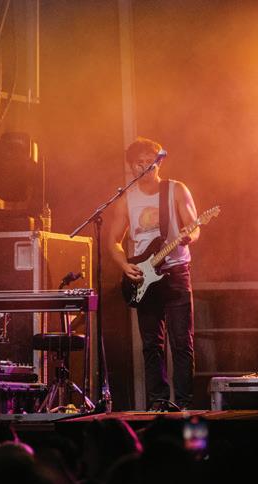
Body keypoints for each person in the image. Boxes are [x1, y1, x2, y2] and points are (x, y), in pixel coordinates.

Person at [108, 137, 199, 411]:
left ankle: (183, 404)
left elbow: (193, 226)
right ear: (131, 167)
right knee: (151, 345)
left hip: (176, 272)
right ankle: (157, 403)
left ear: (159, 163)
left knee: (182, 343)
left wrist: (190, 236)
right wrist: (125, 266)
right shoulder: (127, 199)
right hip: (144, 278)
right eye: (140, 162)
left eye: (151, 161)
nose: (147, 167)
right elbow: (113, 241)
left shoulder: (175, 190)